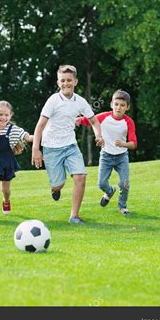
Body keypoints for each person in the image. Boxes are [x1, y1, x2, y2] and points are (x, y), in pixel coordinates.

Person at [31, 65, 103, 224]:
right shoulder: (53, 101)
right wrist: (36, 148)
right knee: (59, 184)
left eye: (69, 80)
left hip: (70, 145)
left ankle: (74, 216)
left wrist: (98, 135)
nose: (66, 83)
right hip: (51, 147)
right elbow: (40, 125)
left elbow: (94, 121)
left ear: (75, 81)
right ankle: (55, 189)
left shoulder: (81, 102)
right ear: (58, 83)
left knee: (80, 177)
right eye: (62, 80)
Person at [77, 89, 137, 215]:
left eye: (122, 105)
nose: (118, 108)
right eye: (116, 104)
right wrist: (77, 120)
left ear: (127, 107)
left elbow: (133, 143)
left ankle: (122, 207)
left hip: (122, 157)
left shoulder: (128, 122)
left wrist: (123, 144)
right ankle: (109, 192)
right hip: (106, 156)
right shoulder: (104, 117)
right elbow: (89, 121)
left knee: (124, 183)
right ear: (111, 104)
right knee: (101, 183)